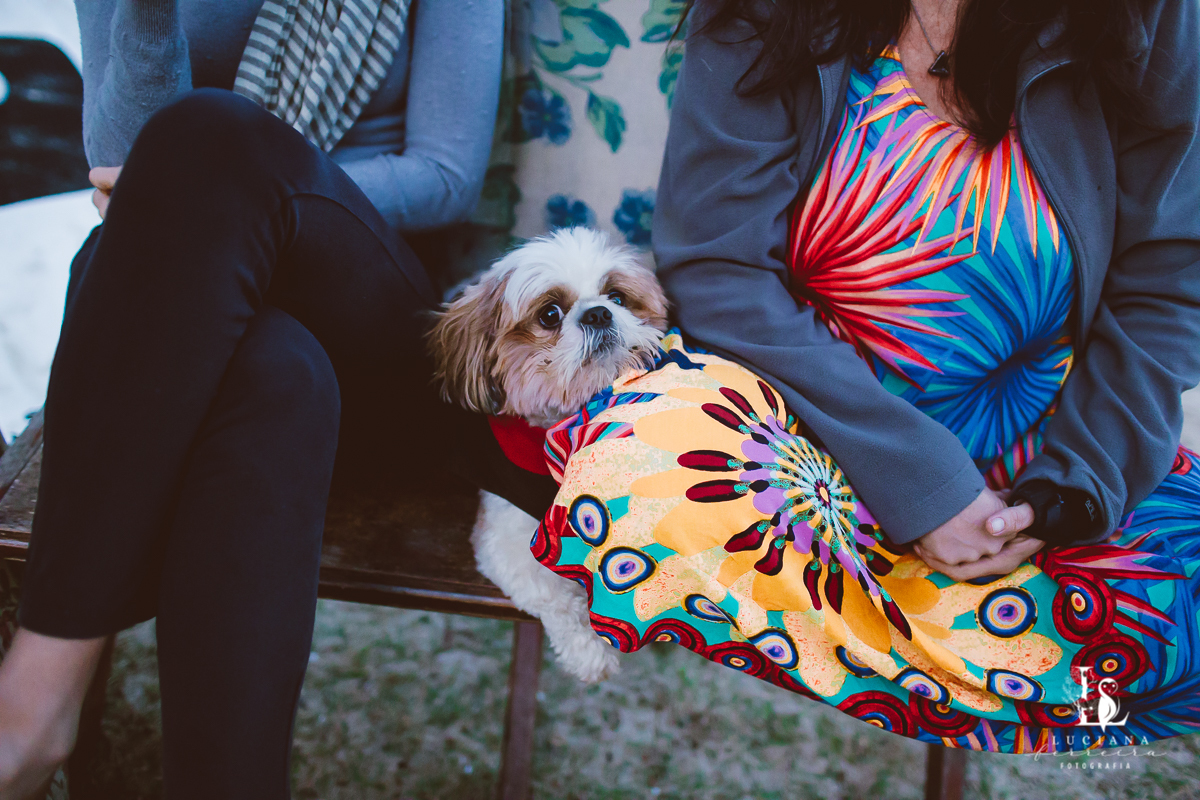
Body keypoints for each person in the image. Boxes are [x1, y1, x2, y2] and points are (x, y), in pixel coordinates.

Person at [531, 0, 1200, 752]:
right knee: (638, 472)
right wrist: (922, 485)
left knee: (1188, 589)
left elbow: (1168, 272)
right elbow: (718, 264)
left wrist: (1073, 489)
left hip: (1035, 473)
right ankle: (975, 661)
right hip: (795, 453)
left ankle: (906, 647)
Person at [0, 1, 557, 798]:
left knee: (212, 140)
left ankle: (38, 688)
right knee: (272, 370)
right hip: (178, 309)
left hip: (367, 307)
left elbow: (444, 174)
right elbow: (115, 155)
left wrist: (234, 191)